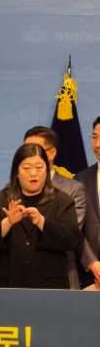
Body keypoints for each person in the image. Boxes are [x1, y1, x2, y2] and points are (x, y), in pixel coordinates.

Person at [0, 143, 82, 289]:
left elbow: (72, 239)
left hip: (50, 286)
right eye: (27, 168)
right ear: (17, 172)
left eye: (39, 168)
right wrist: (7, 222)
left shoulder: (62, 200)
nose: (33, 173)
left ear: (47, 170)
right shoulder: (1, 199)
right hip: (9, 284)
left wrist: (42, 222)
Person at [23, 126, 87, 289]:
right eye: (25, 150)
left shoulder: (73, 189)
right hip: (22, 276)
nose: (28, 155)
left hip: (61, 275)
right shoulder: (12, 190)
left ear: (51, 153)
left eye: (35, 150)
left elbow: (69, 235)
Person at [74, 116, 100, 289]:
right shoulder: (80, 179)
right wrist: (93, 265)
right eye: (95, 137)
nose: (97, 145)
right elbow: (74, 229)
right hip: (89, 276)